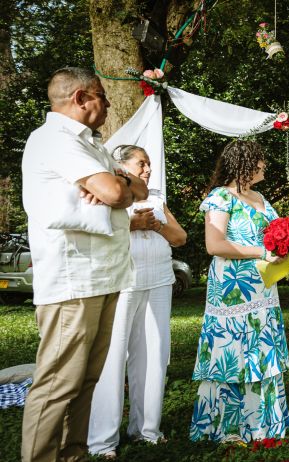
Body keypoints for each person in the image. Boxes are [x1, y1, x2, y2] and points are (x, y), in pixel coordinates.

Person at [20, 67, 148, 461]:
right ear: (80, 98)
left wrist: (117, 184)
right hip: (72, 280)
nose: (108, 104)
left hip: (104, 275)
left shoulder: (94, 145)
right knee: (60, 383)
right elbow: (115, 190)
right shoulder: (54, 140)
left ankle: (73, 455)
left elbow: (138, 188)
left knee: (86, 379)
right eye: (102, 96)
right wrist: (115, 185)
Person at [88, 146, 187, 458]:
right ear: (123, 166)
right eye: (141, 164)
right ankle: (103, 441)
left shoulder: (157, 198)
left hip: (159, 280)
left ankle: (146, 429)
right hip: (123, 281)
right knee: (113, 357)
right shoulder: (110, 193)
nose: (147, 169)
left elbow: (181, 237)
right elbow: (97, 232)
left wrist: (156, 224)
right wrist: (133, 224)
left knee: (154, 354)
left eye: (148, 164)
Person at [189, 140, 289, 443]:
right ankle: (228, 427)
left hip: (263, 285)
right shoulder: (220, 197)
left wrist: (283, 249)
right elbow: (215, 245)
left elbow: (270, 235)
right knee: (232, 350)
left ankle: (264, 425)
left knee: (261, 347)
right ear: (245, 163)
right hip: (233, 288)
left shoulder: (260, 196)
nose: (264, 165)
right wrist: (261, 250)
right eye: (260, 160)